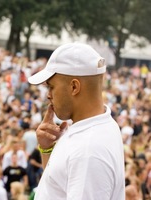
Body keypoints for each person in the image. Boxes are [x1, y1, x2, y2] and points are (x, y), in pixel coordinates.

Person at [27, 43, 125, 199]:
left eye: (51, 87)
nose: (48, 95)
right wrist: (47, 149)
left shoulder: (88, 149)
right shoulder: (96, 125)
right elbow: (58, 188)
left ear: (74, 87)